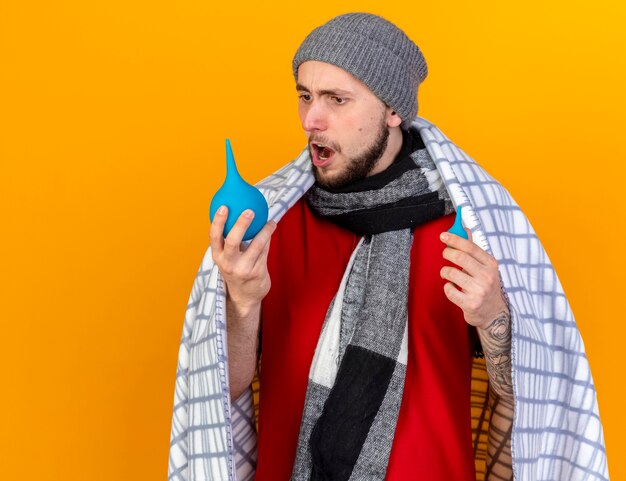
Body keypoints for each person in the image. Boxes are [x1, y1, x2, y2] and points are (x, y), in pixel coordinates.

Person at [168, 12, 609, 481]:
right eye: (305, 96)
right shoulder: (270, 226)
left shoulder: (470, 225)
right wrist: (241, 298)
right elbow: (224, 389)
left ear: (393, 110)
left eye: (337, 99)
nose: (312, 120)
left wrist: (493, 316)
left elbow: (531, 400)